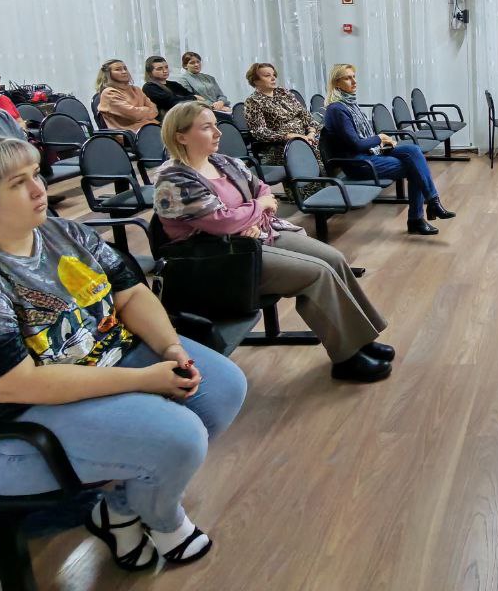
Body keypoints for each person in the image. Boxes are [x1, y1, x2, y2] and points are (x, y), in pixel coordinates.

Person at [0, 136, 246, 570]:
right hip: (1, 427)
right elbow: (17, 384)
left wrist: (171, 348)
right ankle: (163, 520)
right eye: (18, 183)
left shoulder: (62, 232)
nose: (39, 189)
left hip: (91, 365)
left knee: (222, 389)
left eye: (35, 174)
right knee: (179, 438)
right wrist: (145, 378)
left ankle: (117, 512)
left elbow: (130, 294)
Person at [152, 103, 392, 382]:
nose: (218, 132)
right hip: (219, 260)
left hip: (252, 238)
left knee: (334, 259)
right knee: (317, 274)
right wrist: (256, 210)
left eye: (216, 125)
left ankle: (361, 339)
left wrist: (250, 217)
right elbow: (224, 222)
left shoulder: (223, 162)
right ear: (181, 136)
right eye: (207, 128)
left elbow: (263, 190)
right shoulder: (173, 179)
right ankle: (346, 359)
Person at [321, 63, 454, 236]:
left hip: (369, 154)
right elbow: (356, 144)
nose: (354, 81)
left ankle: (431, 204)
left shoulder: (348, 104)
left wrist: (381, 142)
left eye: (354, 76)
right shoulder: (337, 109)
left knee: (414, 151)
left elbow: (361, 140)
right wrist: (380, 138)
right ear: (336, 83)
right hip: (358, 164)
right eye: (348, 78)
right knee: (415, 167)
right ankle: (419, 217)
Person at [243, 63, 320, 168]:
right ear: (255, 81)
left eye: (274, 75)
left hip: (305, 137)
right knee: (312, 149)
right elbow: (260, 132)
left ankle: (329, 175)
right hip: (280, 146)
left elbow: (305, 115)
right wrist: (290, 136)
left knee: (326, 141)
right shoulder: (253, 101)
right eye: (267, 75)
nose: (273, 78)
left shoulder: (283, 92)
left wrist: (311, 133)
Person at [95, 59, 159, 133]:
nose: (124, 72)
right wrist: (146, 110)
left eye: (125, 68)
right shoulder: (109, 93)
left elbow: (154, 110)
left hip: (150, 127)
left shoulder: (136, 89)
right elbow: (134, 115)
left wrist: (140, 112)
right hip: (130, 133)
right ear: (108, 74)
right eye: (118, 69)